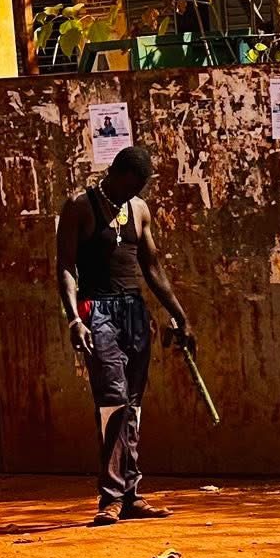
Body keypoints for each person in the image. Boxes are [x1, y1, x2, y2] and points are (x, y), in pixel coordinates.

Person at [55, 145, 193, 526]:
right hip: (95, 311)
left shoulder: (140, 211)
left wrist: (181, 316)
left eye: (138, 189)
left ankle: (130, 494)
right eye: (128, 186)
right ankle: (111, 497)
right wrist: (74, 320)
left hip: (134, 312)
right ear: (113, 173)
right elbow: (66, 267)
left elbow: (153, 268)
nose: (131, 195)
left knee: (132, 404)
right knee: (113, 400)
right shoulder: (80, 206)